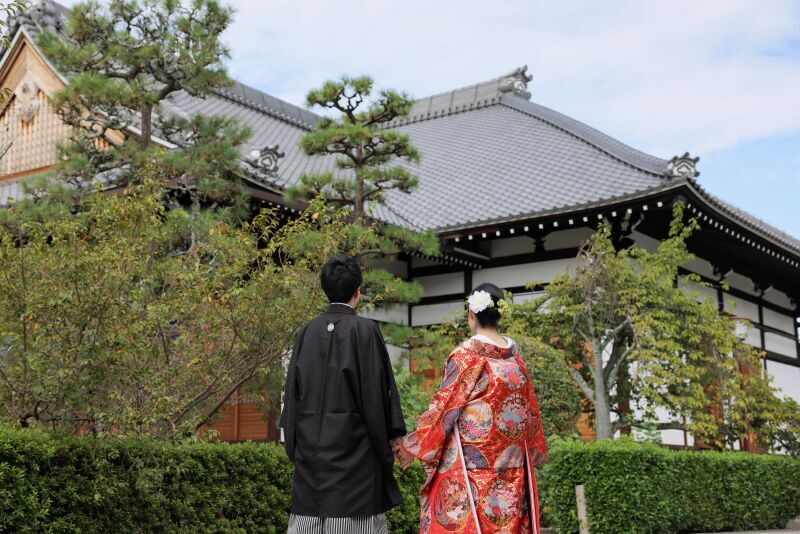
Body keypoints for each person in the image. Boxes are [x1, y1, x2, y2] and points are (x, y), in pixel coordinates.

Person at [393, 283, 547, 534]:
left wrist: (413, 447)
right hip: (513, 469)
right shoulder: (516, 362)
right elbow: (530, 413)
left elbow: (444, 408)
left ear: (471, 315)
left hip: (472, 469)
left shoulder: (467, 357)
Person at [280, 255, 407, 534]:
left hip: (311, 467)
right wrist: (392, 439)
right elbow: (377, 396)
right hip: (355, 471)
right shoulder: (365, 331)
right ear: (357, 292)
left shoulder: (307, 332)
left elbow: (292, 397)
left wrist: (294, 446)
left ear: (326, 290)